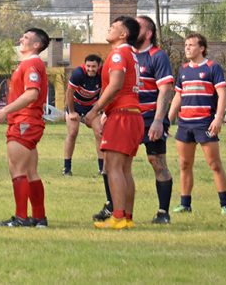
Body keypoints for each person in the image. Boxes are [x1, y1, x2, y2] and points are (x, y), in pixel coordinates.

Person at [86, 16, 144, 230]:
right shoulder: (132, 54)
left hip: (122, 114)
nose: (109, 28)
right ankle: (127, 217)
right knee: (125, 169)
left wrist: (95, 110)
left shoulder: (119, 53)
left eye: (114, 26)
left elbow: (116, 84)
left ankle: (118, 216)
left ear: (123, 34)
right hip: (132, 114)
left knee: (113, 167)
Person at [0, 29, 50, 227]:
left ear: (37, 45)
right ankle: (39, 217)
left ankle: (21, 217)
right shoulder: (30, 63)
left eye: (26, 37)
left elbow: (32, 93)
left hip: (24, 121)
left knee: (17, 170)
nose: (21, 39)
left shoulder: (31, 63)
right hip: (28, 121)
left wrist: (4, 111)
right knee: (30, 171)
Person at [168, 33, 226, 216]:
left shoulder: (213, 67)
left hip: (205, 123)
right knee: (184, 164)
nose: (187, 48)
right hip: (184, 124)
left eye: (191, 45)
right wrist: (167, 120)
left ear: (202, 48)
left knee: (214, 164)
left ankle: (225, 205)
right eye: (185, 45)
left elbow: (222, 94)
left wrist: (218, 118)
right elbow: (178, 96)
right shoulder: (183, 70)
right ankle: (185, 204)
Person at [128, 15, 175, 224]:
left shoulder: (158, 56)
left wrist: (158, 120)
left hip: (150, 118)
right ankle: (114, 208)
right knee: (117, 164)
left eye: (137, 26)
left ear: (148, 33)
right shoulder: (125, 54)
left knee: (157, 162)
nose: (131, 29)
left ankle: (163, 213)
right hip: (127, 117)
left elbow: (165, 89)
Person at [63, 54, 103, 177]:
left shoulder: (103, 74)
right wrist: (72, 112)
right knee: (72, 132)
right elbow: (69, 92)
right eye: (88, 66)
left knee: (99, 132)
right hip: (75, 105)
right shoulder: (78, 73)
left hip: (91, 107)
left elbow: (105, 92)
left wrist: (98, 109)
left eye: (93, 66)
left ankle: (102, 169)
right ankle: (67, 168)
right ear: (84, 65)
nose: (90, 69)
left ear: (99, 66)